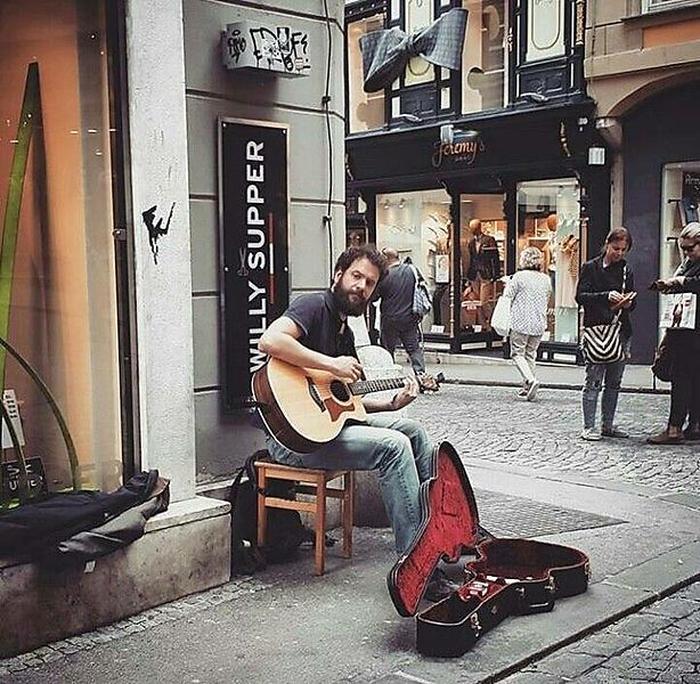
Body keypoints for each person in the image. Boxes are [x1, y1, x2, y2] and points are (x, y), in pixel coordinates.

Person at [257, 245, 458, 600]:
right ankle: (418, 565)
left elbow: (346, 401)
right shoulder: (314, 305)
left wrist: (391, 402)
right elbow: (270, 340)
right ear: (338, 275)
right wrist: (332, 365)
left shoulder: (345, 330)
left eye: (369, 283)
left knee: (412, 431)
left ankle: (436, 535)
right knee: (394, 449)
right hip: (294, 442)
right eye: (356, 277)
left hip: (326, 430)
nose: (361, 287)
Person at [575, 227, 637, 441]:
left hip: (620, 330)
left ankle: (607, 425)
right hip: (596, 330)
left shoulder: (626, 270)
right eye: (616, 248)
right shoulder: (590, 267)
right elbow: (581, 296)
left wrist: (627, 302)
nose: (619, 253)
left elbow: (633, 303)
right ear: (607, 244)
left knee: (614, 381)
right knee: (593, 380)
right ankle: (589, 426)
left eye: (623, 249)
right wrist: (605, 296)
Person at [647, 222, 700, 444]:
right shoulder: (688, 264)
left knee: (683, 377)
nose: (687, 252)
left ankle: (675, 427)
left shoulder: (690, 269)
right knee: (694, 377)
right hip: (685, 327)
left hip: (691, 331)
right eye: (684, 248)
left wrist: (681, 282)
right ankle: (694, 424)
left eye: (690, 248)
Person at [504, 247, 552, 401]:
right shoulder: (546, 279)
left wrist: (507, 282)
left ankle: (531, 380)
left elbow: (508, 296)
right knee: (530, 354)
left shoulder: (519, 277)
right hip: (538, 322)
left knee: (517, 353)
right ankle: (527, 385)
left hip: (521, 321)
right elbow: (548, 295)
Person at [373, 247, 427, 377]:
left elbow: (375, 296)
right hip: (409, 317)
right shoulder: (411, 270)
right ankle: (421, 375)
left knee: (387, 350)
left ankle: (389, 376)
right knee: (413, 349)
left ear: (386, 258)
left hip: (390, 318)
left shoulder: (384, 275)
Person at [466, 219, 501, 330]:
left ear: (479, 228)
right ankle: (482, 325)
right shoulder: (471, 243)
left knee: (483, 301)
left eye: (474, 228)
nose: (472, 230)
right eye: (471, 228)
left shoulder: (489, 240)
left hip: (486, 274)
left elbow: (495, 258)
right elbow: (472, 259)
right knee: (476, 302)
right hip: (475, 274)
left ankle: (492, 322)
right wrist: (468, 277)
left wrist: (496, 274)